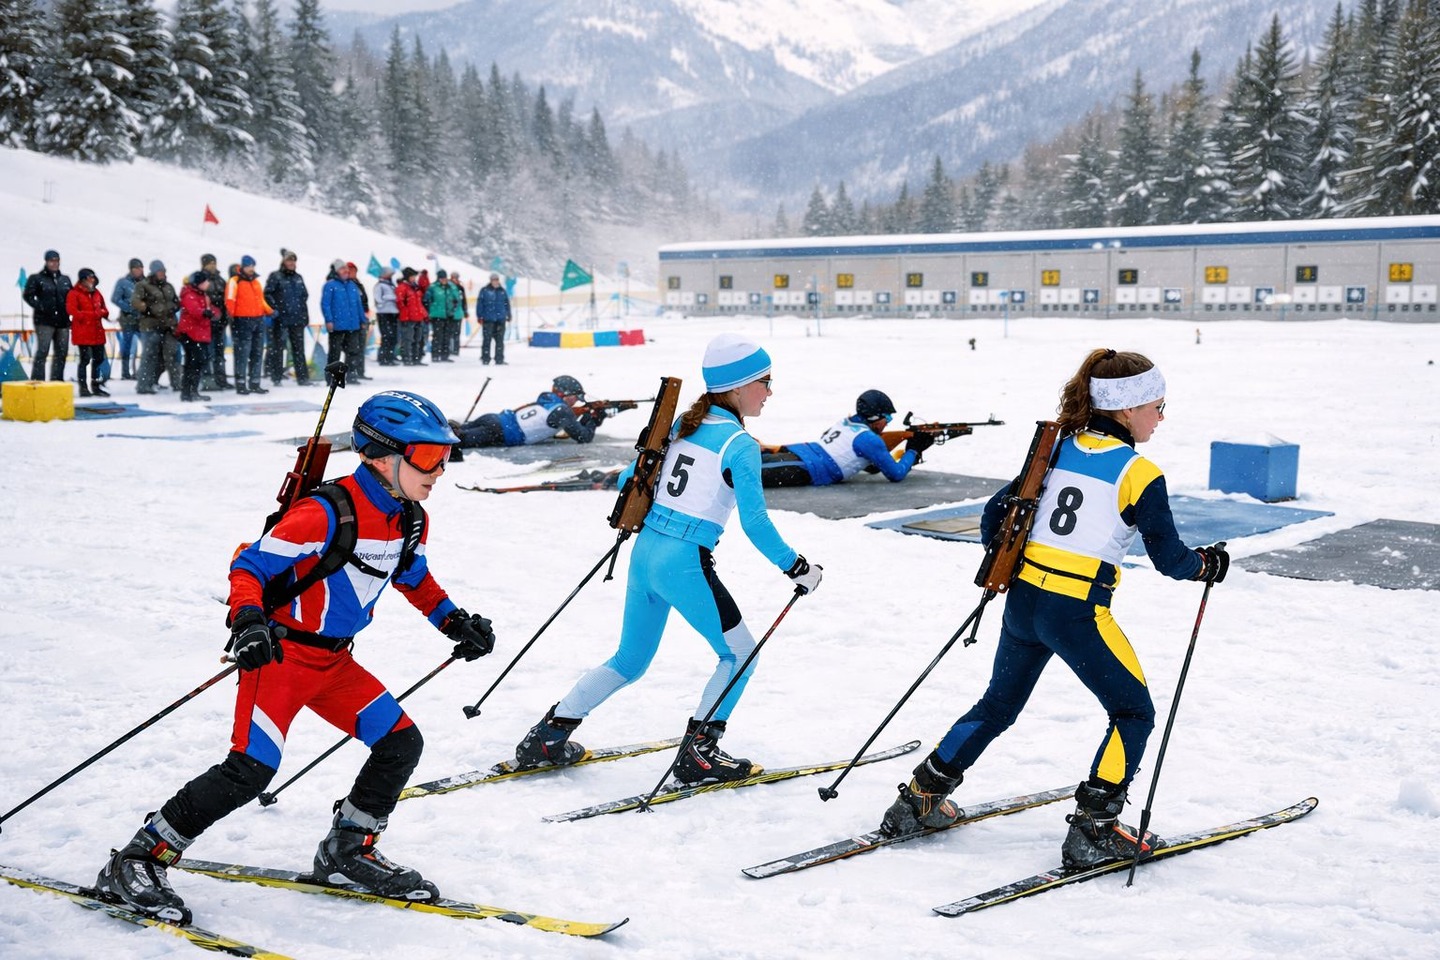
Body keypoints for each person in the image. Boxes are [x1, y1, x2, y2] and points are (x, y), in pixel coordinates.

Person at [93, 390, 497, 924]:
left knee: (400, 743)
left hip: (335, 666)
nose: (439, 469)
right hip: (281, 659)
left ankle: (347, 850)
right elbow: (250, 568)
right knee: (251, 769)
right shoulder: (323, 513)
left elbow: (411, 575)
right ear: (380, 455)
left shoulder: (411, 519)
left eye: (445, 456)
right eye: (426, 456)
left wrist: (453, 621)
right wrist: (249, 622)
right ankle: (139, 857)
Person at [876, 348, 1230, 871]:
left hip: (1023, 604)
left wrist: (1003, 561)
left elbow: (997, 512)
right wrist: (1207, 565)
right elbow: (1171, 561)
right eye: (1158, 404)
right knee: (1133, 713)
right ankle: (1094, 830)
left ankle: (917, 802)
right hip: (1078, 611)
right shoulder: (1139, 472)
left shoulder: (1055, 449)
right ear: (1127, 409)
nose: (1161, 415)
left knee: (996, 707)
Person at [511, 335, 823, 784]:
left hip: (645, 555)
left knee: (629, 660)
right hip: (685, 563)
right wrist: (798, 567)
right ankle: (699, 754)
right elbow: (755, 524)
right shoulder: (740, 444)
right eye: (765, 382)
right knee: (739, 656)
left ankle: (548, 736)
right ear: (738, 387)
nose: (770, 392)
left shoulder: (681, 424)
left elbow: (630, 475)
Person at [758, 389, 933, 488]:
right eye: (886, 418)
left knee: (747, 467)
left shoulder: (846, 422)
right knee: (746, 473)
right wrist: (914, 450)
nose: (887, 423)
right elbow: (896, 474)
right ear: (874, 417)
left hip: (803, 453)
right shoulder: (869, 440)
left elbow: (872, 467)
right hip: (809, 468)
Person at [450, 375, 603, 448]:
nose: (575, 401)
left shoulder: (548, 399)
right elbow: (584, 437)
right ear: (564, 394)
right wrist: (594, 419)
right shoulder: (562, 411)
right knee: (455, 442)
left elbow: (575, 427)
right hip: (501, 432)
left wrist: (589, 416)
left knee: (453, 432)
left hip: (494, 419)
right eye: (575, 397)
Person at [23, 249, 73, 382]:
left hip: (62, 321)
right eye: (51, 261)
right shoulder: (37, 278)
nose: (54, 264)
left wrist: (71, 312)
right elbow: (28, 295)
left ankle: (57, 380)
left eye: (56, 261)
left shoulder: (65, 279)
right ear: (46, 262)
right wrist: (41, 306)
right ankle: (38, 381)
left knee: (61, 352)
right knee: (43, 351)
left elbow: (72, 297)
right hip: (44, 321)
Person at [225, 255, 273, 395]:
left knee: (257, 352)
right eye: (248, 266)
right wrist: (232, 318)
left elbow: (261, 300)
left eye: (252, 266)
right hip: (242, 320)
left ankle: (255, 383)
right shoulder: (235, 281)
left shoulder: (256, 282)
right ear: (242, 267)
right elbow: (230, 300)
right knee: (242, 353)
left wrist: (269, 311)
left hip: (258, 319)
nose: (251, 269)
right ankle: (241, 383)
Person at [264, 249, 312, 386]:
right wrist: (276, 309)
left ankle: (303, 378)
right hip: (281, 320)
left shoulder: (298, 278)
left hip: (297, 320)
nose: (291, 263)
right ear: (284, 261)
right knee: (278, 349)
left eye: (293, 260)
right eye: (289, 260)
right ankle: (276, 377)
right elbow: (267, 294)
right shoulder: (276, 276)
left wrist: (305, 316)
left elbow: (304, 297)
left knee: (299, 350)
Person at [131, 260, 179, 396]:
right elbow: (135, 301)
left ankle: (176, 383)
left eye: (163, 271)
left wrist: (175, 307)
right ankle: (144, 385)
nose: (162, 274)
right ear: (153, 272)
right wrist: (147, 309)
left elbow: (175, 301)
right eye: (160, 271)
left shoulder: (168, 286)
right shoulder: (143, 286)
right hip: (151, 326)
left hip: (168, 325)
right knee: (149, 356)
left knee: (171, 355)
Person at [67, 267, 110, 397]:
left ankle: (95, 386)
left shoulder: (97, 293)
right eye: (90, 277)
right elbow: (72, 311)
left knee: (98, 359)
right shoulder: (74, 294)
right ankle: (83, 387)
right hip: (83, 332)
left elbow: (104, 310)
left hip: (97, 332)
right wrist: (93, 315)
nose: (92, 280)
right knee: (85, 360)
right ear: (83, 280)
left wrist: (100, 313)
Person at [321, 260, 365, 383]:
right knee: (335, 353)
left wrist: (362, 319)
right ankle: (331, 378)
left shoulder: (352, 285)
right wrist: (329, 320)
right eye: (342, 269)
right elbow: (326, 305)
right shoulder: (330, 285)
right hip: (337, 325)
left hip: (353, 324)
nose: (346, 270)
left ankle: (351, 376)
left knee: (353, 351)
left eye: (346, 268)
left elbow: (358, 305)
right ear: (336, 271)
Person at [176, 271, 214, 402]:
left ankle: (190, 391)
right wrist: (205, 313)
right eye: (205, 281)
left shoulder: (201, 295)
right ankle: (189, 391)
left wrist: (212, 312)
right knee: (194, 363)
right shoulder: (190, 295)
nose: (208, 284)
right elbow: (194, 310)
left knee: (196, 362)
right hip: (191, 334)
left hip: (198, 334)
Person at [199, 253, 231, 391]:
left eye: (214, 263)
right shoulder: (201, 279)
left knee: (219, 353)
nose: (212, 265)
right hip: (207, 323)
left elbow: (225, 299)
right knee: (208, 352)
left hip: (220, 323)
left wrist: (225, 316)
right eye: (209, 263)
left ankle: (221, 379)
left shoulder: (220, 280)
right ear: (204, 265)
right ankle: (208, 380)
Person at [110, 258, 145, 380]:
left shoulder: (146, 282)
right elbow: (115, 298)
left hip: (143, 320)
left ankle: (142, 373)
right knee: (127, 346)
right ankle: (125, 372)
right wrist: (129, 308)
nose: (139, 271)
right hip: (128, 320)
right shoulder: (123, 282)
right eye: (136, 268)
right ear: (131, 269)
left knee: (147, 346)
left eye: (141, 268)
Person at [423, 269, 460, 363]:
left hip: (449, 315)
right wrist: (430, 311)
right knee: (437, 336)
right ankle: (435, 355)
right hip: (437, 315)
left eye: (445, 278)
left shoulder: (450, 287)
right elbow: (426, 300)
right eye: (442, 278)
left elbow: (457, 298)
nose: (444, 280)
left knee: (447, 336)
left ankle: (445, 355)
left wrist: (453, 308)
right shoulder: (433, 287)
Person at [477, 272, 510, 365]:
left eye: (496, 280)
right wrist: (480, 316)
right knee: (487, 340)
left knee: (500, 341)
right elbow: (480, 304)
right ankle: (485, 358)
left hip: (500, 319)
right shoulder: (484, 291)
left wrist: (508, 314)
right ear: (490, 281)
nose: (495, 282)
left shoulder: (502, 291)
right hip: (488, 319)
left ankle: (499, 359)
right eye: (493, 280)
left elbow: (506, 304)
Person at [396, 267, 427, 366]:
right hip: (408, 318)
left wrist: (424, 314)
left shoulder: (415, 288)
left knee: (417, 339)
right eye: (413, 276)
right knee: (407, 340)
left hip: (418, 317)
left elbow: (419, 303)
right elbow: (400, 303)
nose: (414, 278)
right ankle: (407, 358)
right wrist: (405, 315)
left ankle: (415, 358)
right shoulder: (402, 287)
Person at [373, 265, 399, 366]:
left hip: (394, 312)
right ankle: (383, 357)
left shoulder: (391, 285)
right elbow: (378, 299)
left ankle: (391, 356)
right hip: (383, 313)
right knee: (386, 336)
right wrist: (391, 298)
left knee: (393, 336)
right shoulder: (379, 286)